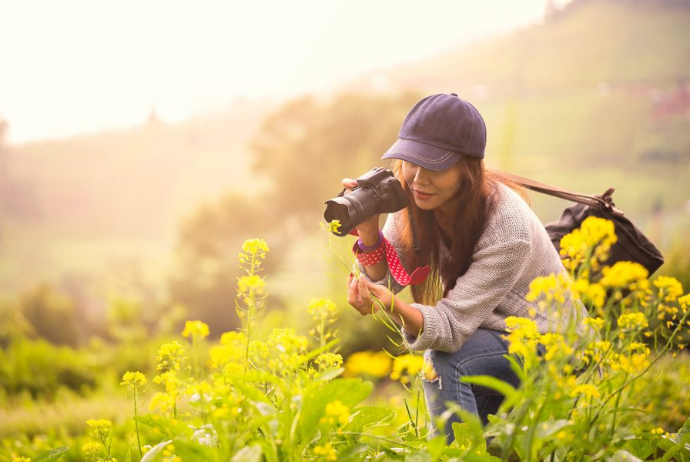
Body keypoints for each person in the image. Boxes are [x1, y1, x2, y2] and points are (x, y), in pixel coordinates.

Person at [342, 93, 585, 441]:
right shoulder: (412, 200)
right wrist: (368, 230)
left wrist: (391, 305)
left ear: (467, 169)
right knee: (492, 447)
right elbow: (389, 278)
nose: (418, 178)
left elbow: (451, 328)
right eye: (412, 161)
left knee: (443, 362)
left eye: (435, 165)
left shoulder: (508, 227)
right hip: (487, 338)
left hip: (552, 347)